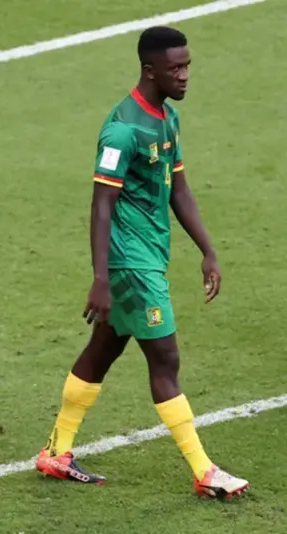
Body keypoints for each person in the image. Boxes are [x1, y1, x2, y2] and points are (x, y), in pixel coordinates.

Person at [35, 26, 249, 498]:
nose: (186, 75)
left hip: (150, 256)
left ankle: (56, 451)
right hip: (130, 264)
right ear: (149, 71)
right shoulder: (122, 129)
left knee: (103, 351)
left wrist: (207, 249)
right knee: (165, 359)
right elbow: (101, 205)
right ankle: (203, 470)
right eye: (176, 68)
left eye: (188, 65)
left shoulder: (166, 119)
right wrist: (100, 278)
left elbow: (179, 189)